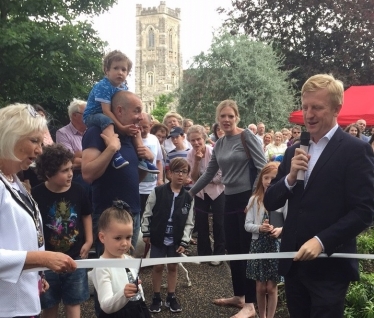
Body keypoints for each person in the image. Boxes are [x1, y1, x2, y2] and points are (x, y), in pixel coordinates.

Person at [264, 74, 374, 318]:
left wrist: (322, 241)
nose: (309, 114)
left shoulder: (355, 151)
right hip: (294, 264)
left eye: (317, 107)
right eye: (305, 107)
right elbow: (271, 201)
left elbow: (365, 211)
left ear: (336, 108)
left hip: (330, 267)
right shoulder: (295, 149)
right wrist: (290, 178)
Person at [189, 100, 267, 318]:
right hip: (229, 198)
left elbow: (263, 167)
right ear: (218, 119)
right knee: (233, 249)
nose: (226, 120)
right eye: (222, 116)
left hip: (247, 199)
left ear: (237, 117)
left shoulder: (247, 137)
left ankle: (251, 305)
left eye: (230, 116)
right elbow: (208, 173)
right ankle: (240, 296)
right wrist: (188, 193)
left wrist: (253, 199)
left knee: (246, 251)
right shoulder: (220, 143)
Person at [0, 103, 77, 318]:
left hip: (22, 301)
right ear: (10, 137)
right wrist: (42, 260)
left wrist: (35, 274)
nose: (39, 150)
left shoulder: (14, 182)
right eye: (34, 140)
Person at [82, 90, 155, 253]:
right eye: (136, 110)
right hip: (109, 215)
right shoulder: (96, 132)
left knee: (127, 267)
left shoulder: (131, 136)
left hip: (133, 213)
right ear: (120, 110)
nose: (140, 116)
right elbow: (87, 174)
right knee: (110, 270)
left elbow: (135, 179)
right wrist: (112, 148)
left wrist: (147, 161)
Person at [32, 144, 93, 318]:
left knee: (73, 303)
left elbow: (86, 215)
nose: (70, 174)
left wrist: (89, 241)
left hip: (75, 258)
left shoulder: (79, 190)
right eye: (64, 170)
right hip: (47, 261)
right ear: (48, 174)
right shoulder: (36, 194)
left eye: (71, 168)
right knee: (49, 305)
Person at [83, 50, 158, 173]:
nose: (120, 72)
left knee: (135, 128)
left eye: (124, 70)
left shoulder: (123, 88)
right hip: (94, 115)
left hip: (107, 115)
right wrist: (122, 128)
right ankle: (115, 154)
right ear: (107, 71)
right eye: (116, 68)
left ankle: (142, 157)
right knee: (107, 121)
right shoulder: (104, 86)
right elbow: (106, 111)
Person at [142, 158, 194, 313]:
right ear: (169, 173)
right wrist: (146, 231)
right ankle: (156, 296)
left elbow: (190, 222)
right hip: (158, 236)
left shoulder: (188, 198)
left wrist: (184, 241)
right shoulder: (158, 192)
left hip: (176, 239)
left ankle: (171, 296)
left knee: (173, 267)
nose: (180, 175)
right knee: (157, 266)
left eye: (184, 172)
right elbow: (148, 212)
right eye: (177, 171)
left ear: (187, 176)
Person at [92, 201, 151, 318]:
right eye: (118, 238)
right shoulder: (101, 266)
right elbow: (105, 305)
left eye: (128, 237)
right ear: (102, 237)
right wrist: (123, 294)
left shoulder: (129, 259)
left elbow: (138, 289)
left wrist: (143, 304)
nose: (124, 243)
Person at [244, 162, 287, 318]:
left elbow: (289, 223)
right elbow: (247, 225)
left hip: (275, 246)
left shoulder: (284, 199)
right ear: (261, 179)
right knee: (260, 287)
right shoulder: (254, 200)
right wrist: (259, 228)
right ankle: (261, 315)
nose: (269, 181)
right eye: (266, 177)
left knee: (271, 287)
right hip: (258, 245)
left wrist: (280, 230)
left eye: (273, 178)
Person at [186, 125, 225, 266]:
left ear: (204, 139)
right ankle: (204, 253)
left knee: (218, 222)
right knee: (201, 222)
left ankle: (219, 253)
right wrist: (196, 161)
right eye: (192, 141)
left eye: (198, 140)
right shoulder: (190, 154)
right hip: (201, 193)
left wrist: (206, 178)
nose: (196, 143)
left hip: (217, 192)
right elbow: (194, 177)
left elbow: (221, 176)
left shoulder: (214, 151)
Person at [56, 98, 91, 197]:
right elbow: (70, 161)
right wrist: (93, 157)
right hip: (76, 176)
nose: (90, 116)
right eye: (86, 113)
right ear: (74, 115)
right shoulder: (63, 133)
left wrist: (80, 154)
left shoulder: (92, 132)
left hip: (94, 175)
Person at [139, 113, 164, 219]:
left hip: (152, 188)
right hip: (138, 188)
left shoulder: (154, 139)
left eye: (145, 127)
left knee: (151, 217)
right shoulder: (130, 139)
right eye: (139, 127)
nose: (142, 130)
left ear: (150, 125)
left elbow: (159, 161)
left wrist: (160, 179)